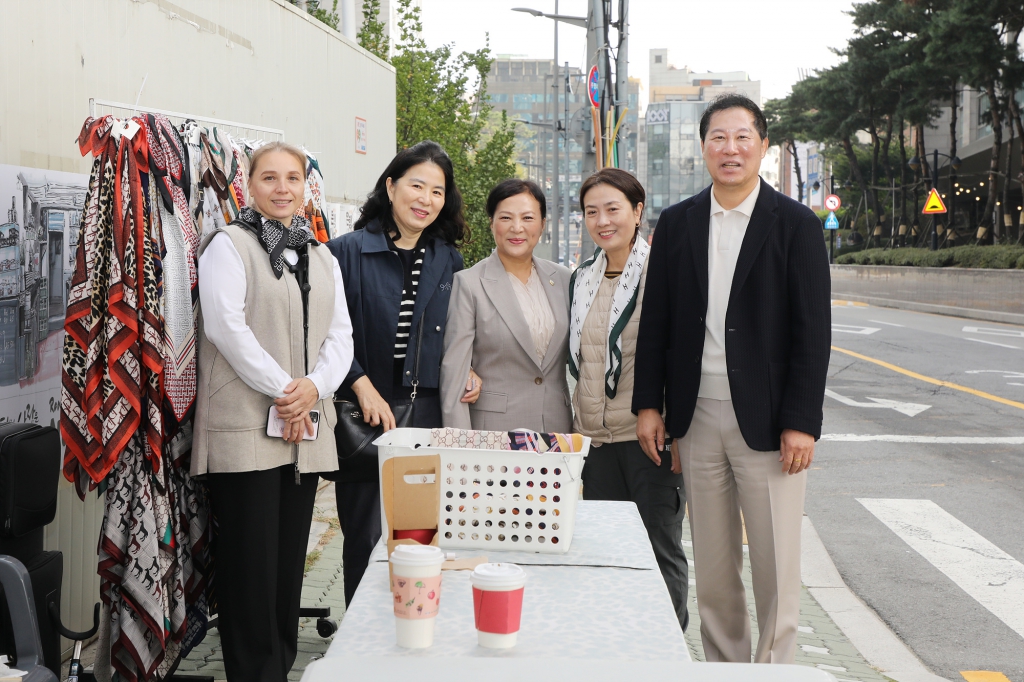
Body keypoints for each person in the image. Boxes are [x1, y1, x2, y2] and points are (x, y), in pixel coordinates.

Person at [633, 94, 831, 664]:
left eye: (743, 137)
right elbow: (659, 322)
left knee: (775, 567)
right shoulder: (677, 223)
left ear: (763, 147)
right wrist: (651, 405)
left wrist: (800, 422)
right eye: (719, 137)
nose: (731, 149)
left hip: (768, 421)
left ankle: (774, 671)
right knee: (715, 569)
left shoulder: (794, 224)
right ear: (703, 148)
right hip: (695, 418)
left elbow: (812, 332)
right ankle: (724, 669)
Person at [193, 142, 354, 682]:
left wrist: (315, 387)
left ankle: (279, 667)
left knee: (287, 567)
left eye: (293, 177)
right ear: (249, 183)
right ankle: (252, 673)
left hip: (301, 429)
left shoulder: (320, 254)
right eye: (270, 177)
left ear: (307, 185)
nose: (283, 188)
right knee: (250, 568)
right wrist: (288, 388)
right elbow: (224, 328)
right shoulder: (228, 246)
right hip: (244, 431)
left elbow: (340, 336)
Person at [327, 140, 480, 605]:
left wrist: (470, 369)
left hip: (428, 415)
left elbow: (457, 330)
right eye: (416, 185)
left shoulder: (447, 259)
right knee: (366, 537)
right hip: (366, 416)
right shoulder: (344, 253)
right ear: (391, 186)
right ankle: (360, 643)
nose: (425, 199)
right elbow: (323, 335)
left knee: (418, 538)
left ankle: (413, 625)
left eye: (437, 191)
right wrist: (359, 382)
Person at [569, 168, 689, 632]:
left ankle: (667, 652)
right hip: (595, 444)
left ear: (638, 212)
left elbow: (679, 355)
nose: (602, 220)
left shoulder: (664, 273)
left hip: (648, 442)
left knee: (660, 553)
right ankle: (615, 646)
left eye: (613, 209)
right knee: (605, 556)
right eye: (591, 211)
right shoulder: (582, 278)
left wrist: (673, 424)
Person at [441, 179, 571, 433]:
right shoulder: (469, 284)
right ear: (491, 223)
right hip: (495, 434)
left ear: (543, 224)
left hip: (557, 429)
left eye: (528, 218)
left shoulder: (564, 279)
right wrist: (459, 445)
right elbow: (454, 373)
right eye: (506, 218)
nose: (517, 228)